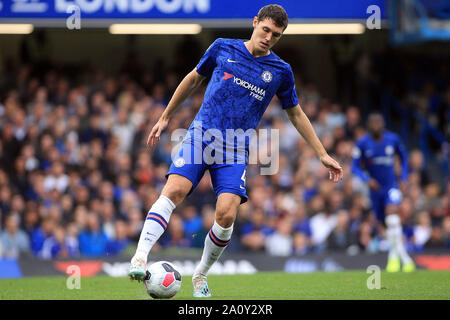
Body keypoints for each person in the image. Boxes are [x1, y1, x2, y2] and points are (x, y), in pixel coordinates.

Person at [128, 4, 343, 297]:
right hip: (202, 135)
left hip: (235, 148)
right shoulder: (222, 47)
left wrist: (321, 153)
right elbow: (193, 78)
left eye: (276, 35)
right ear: (255, 23)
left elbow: (295, 112)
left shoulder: (281, 71)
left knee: (227, 214)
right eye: (265, 29)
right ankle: (140, 256)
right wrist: (165, 116)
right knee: (175, 189)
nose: (268, 37)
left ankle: (200, 274)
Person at [351, 113, 416, 272]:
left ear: (383, 124)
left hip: (391, 186)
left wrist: (404, 178)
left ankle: (403, 260)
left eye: (378, 122)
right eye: (372, 123)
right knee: (384, 224)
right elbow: (355, 166)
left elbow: (404, 158)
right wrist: (367, 179)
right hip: (375, 190)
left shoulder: (393, 139)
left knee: (393, 216)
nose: (376, 125)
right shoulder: (362, 143)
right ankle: (396, 256)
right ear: (368, 125)